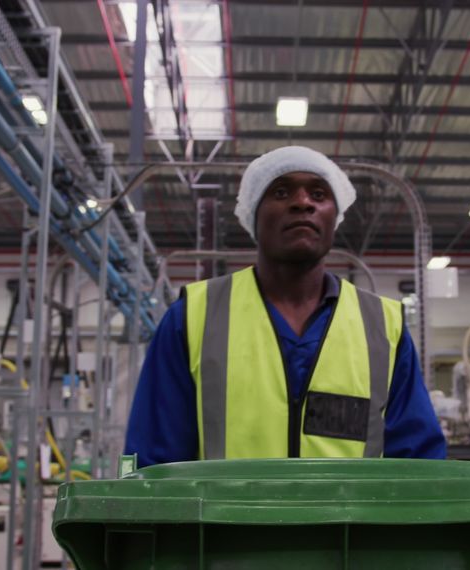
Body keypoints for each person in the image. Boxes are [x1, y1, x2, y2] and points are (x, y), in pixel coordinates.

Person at [125, 146, 445, 466]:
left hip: (351, 518)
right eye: (280, 191)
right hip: (227, 518)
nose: (303, 202)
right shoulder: (192, 319)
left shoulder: (383, 327)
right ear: (254, 212)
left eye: (319, 194)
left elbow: (419, 464)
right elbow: (153, 464)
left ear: (335, 216)